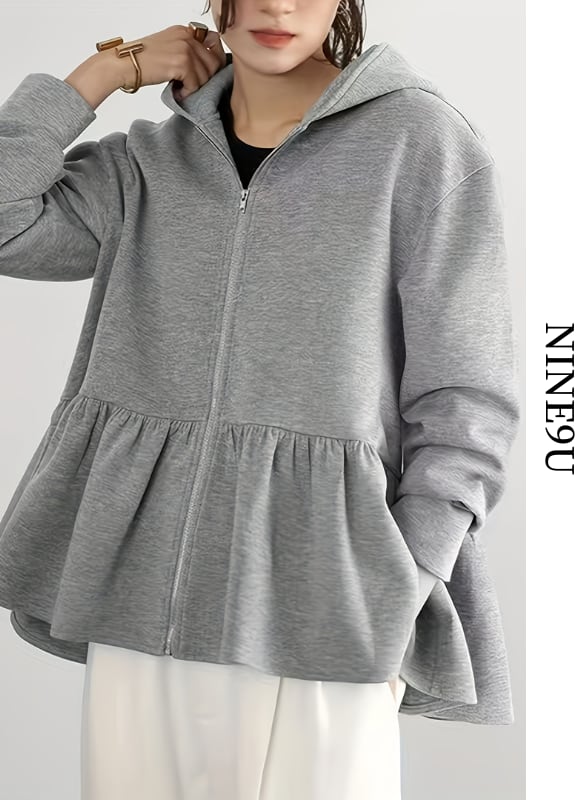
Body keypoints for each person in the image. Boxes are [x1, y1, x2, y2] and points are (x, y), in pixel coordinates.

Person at [0, 0, 520, 797]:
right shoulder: (147, 162)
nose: (279, 5)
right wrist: (105, 71)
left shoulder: (421, 143)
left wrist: (408, 571)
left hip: (329, 595)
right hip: (141, 592)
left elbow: (468, 392)